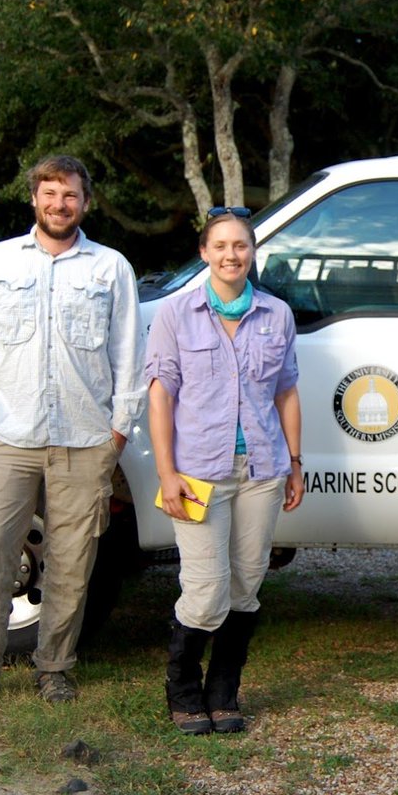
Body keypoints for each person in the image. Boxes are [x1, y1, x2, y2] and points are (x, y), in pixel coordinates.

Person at [0, 154, 146, 706]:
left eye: (71, 194)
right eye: (51, 193)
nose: (61, 204)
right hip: (6, 436)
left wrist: (117, 435)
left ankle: (54, 665)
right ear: (34, 197)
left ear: (85, 201)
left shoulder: (110, 269)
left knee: (72, 559)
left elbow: (130, 356)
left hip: (85, 441)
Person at [145, 206, 304, 735]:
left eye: (240, 246)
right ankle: (183, 688)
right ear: (204, 253)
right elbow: (161, 394)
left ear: (252, 252)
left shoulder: (276, 315)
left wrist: (295, 462)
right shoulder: (174, 314)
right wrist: (166, 474)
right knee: (206, 588)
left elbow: (286, 391)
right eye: (221, 246)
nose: (231, 255)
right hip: (196, 473)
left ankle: (222, 691)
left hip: (262, 469)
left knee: (246, 584)